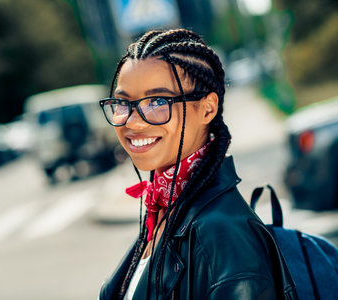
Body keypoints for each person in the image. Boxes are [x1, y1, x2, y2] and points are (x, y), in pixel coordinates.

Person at [98, 29, 295, 300]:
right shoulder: (167, 210)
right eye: (123, 102)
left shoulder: (224, 236)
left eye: (157, 101)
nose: (132, 121)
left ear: (207, 108)